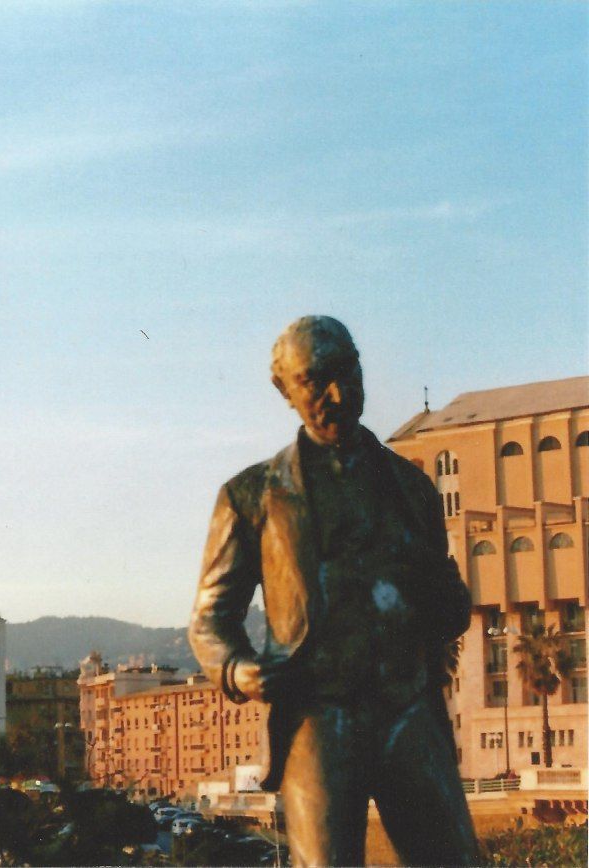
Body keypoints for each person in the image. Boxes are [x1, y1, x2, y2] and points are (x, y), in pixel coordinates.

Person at [188, 316, 480, 866]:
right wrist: (236, 670)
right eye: (315, 381)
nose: (338, 394)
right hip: (318, 718)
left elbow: (450, 610)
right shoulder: (250, 495)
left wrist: (441, 594)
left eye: (348, 372)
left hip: (407, 712)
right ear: (285, 391)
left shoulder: (413, 488)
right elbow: (210, 620)